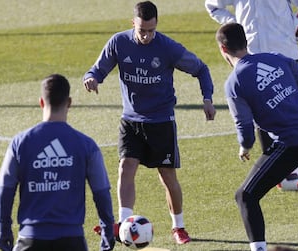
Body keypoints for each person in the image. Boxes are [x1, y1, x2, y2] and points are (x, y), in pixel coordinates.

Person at [83, 0, 216, 245]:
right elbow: (97, 69)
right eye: (142, 30)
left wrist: (207, 99)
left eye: (151, 30)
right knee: (126, 167)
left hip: (161, 122)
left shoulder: (167, 47)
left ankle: (179, 227)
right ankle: (123, 224)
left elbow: (201, 69)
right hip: (131, 120)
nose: (146, 36)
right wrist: (91, 78)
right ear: (132, 23)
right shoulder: (119, 42)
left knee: (167, 176)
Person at [216, 23, 298, 251]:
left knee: (245, 196)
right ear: (246, 42)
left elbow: (244, 125)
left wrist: (245, 147)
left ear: (223, 49)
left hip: (294, 142)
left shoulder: (234, 82)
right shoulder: (276, 58)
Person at [205, 0, 298, 177]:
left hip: (284, 54)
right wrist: (234, 23)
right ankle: (277, 164)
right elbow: (212, 6)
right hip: (251, 57)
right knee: (261, 109)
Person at [0, 74, 115, 251]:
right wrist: (108, 232)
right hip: (72, 240)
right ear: (69, 102)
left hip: (30, 239)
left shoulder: (20, 143)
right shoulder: (86, 145)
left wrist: (4, 230)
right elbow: (101, 192)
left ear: (41, 102)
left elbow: (5, 190)